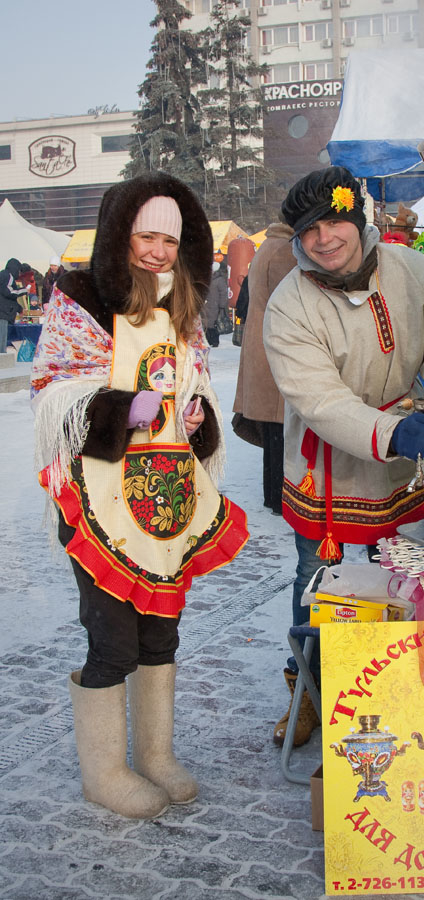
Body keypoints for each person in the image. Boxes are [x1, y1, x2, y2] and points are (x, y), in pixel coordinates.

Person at [30, 173, 249, 819]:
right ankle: (106, 771)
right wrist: (120, 408)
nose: (157, 251)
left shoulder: (183, 304)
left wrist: (196, 419)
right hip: (98, 502)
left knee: (161, 633)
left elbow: (196, 385)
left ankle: (154, 755)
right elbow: (52, 389)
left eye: (169, 241)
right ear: (122, 233)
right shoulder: (81, 298)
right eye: (147, 236)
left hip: (165, 500)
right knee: (113, 640)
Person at [263, 166, 424, 746]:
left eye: (335, 221)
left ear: (360, 218)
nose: (324, 239)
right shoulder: (288, 305)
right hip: (332, 463)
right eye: (310, 230)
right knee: (318, 579)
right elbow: (320, 400)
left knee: (404, 571)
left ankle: (399, 682)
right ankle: (311, 692)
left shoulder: (415, 270)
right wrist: (398, 434)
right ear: (297, 238)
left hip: (408, 449)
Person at [233, 220, 296, 516]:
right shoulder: (284, 250)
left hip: (260, 344)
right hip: (273, 347)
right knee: (281, 430)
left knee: (274, 431)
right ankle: (280, 497)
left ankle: (273, 495)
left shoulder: (268, 246)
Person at [0, 259, 29, 352]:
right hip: (3, 312)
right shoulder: (8, 275)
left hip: (4, 310)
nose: (19, 274)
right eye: (19, 271)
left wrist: (19, 308)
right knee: (2, 337)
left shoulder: (4, 274)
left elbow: (10, 299)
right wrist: (24, 290)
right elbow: (8, 292)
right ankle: (2, 356)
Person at [201, 261, 226, 347]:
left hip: (215, 305)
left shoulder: (219, 280)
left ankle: (214, 340)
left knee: (212, 323)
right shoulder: (207, 278)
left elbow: (223, 293)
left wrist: (222, 306)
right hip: (207, 304)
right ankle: (209, 340)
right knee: (206, 323)